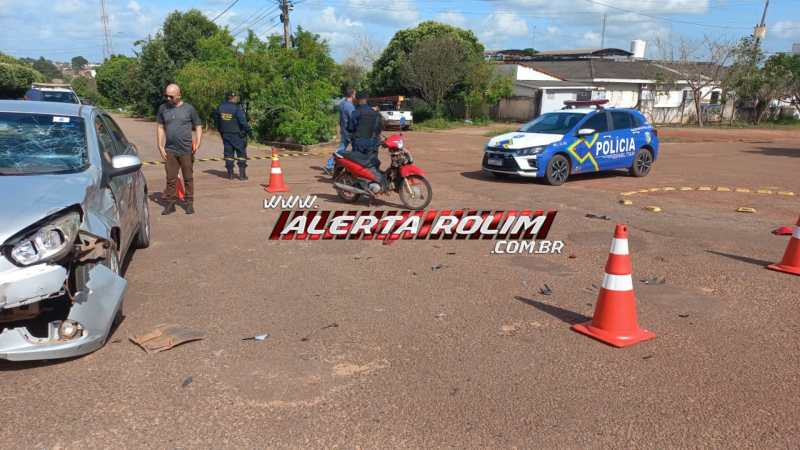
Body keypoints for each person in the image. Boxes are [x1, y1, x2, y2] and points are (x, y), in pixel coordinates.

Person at [156, 83, 202, 215]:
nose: (168, 99)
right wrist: (160, 145)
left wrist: (198, 143)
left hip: (186, 150)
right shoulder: (163, 108)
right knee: (170, 179)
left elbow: (198, 126)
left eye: (171, 97)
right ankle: (170, 204)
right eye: (166, 96)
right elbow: (160, 127)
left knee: (188, 178)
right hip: (170, 150)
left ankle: (189, 203)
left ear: (179, 95)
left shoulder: (189, 109)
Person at [214, 91, 254, 180]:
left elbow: (216, 123)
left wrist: (222, 132)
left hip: (226, 135)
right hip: (237, 136)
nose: (236, 99)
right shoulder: (237, 109)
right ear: (232, 98)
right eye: (235, 97)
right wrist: (250, 133)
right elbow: (243, 122)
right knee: (241, 154)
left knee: (228, 154)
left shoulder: (220, 108)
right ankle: (242, 175)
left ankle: (231, 174)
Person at [323, 88, 357, 174]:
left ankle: (330, 165)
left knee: (342, 148)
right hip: (349, 131)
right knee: (353, 149)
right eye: (355, 94)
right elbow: (352, 118)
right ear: (352, 95)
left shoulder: (342, 104)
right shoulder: (349, 105)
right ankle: (331, 165)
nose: (355, 96)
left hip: (344, 129)